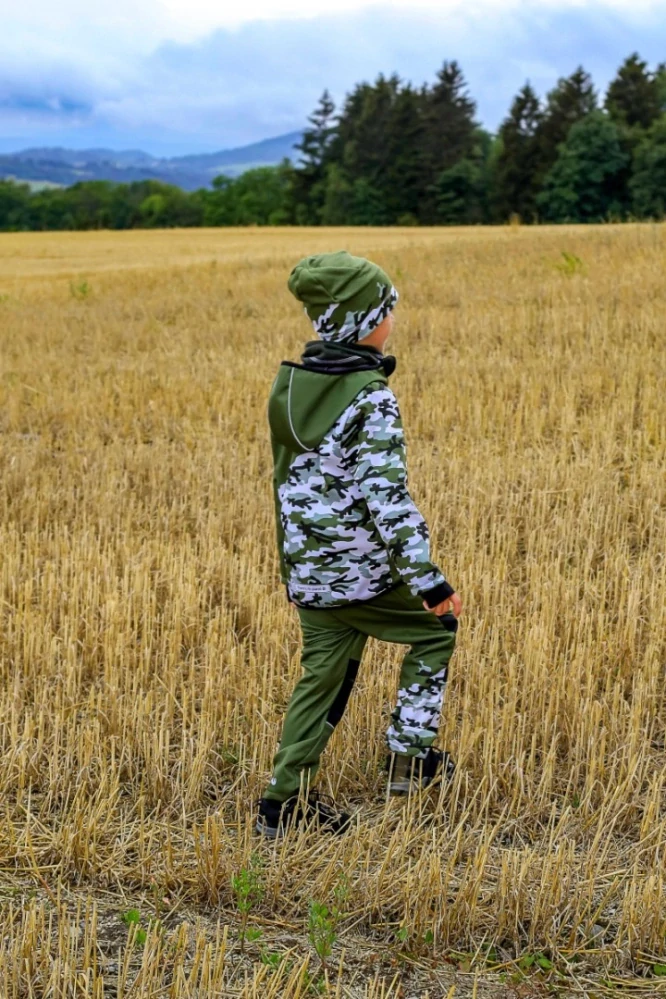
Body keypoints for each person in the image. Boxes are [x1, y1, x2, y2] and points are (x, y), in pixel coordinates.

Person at [256, 250, 461, 839]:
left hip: (312, 574)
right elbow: (386, 498)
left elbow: (283, 487)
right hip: (362, 574)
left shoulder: (289, 389)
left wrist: (290, 572)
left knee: (323, 676)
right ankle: (409, 760)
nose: (392, 320)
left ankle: (281, 803)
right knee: (434, 630)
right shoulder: (370, 398)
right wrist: (430, 582)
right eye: (386, 310)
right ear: (364, 321)